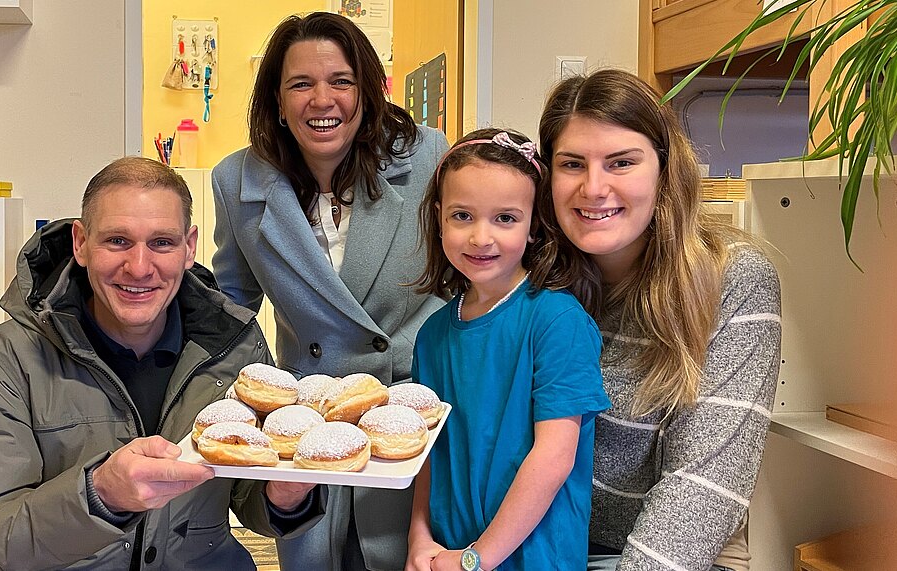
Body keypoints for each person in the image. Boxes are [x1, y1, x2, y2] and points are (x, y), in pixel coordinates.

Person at [0, 157, 322, 571]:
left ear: (189, 247)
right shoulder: (7, 360)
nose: (139, 268)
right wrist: (98, 495)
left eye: (161, 242)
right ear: (80, 243)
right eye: (118, 240)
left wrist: (284, 494)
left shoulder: (236, 348)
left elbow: (248, 499)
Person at [210, 11, 448, 571]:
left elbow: (472, 276)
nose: (323, 100)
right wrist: (257, 410)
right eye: (301, 84)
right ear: (275, 99)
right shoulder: (235, 181)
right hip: (309, 433)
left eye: (341, 81)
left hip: (409, 422)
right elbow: (231, 311)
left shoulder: (429, 158)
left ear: (367, 91)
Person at [534, 69, 782, 571]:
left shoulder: (732, 277)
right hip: (543, 541)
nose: (594, 187)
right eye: (572, 164)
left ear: (665, 170)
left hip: (670, 554)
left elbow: (703, 489)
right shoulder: (533, 273)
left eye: (621, 162)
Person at [404, 128, 611, 571]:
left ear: (534, 225)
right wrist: (419, 538)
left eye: (505, 218)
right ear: (439, 218)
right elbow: (428, 455)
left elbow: (554, 456)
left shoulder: (558, 321)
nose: (481, 237)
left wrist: (477, 558)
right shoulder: (433, 335)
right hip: (447, 558)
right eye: (462, 216)